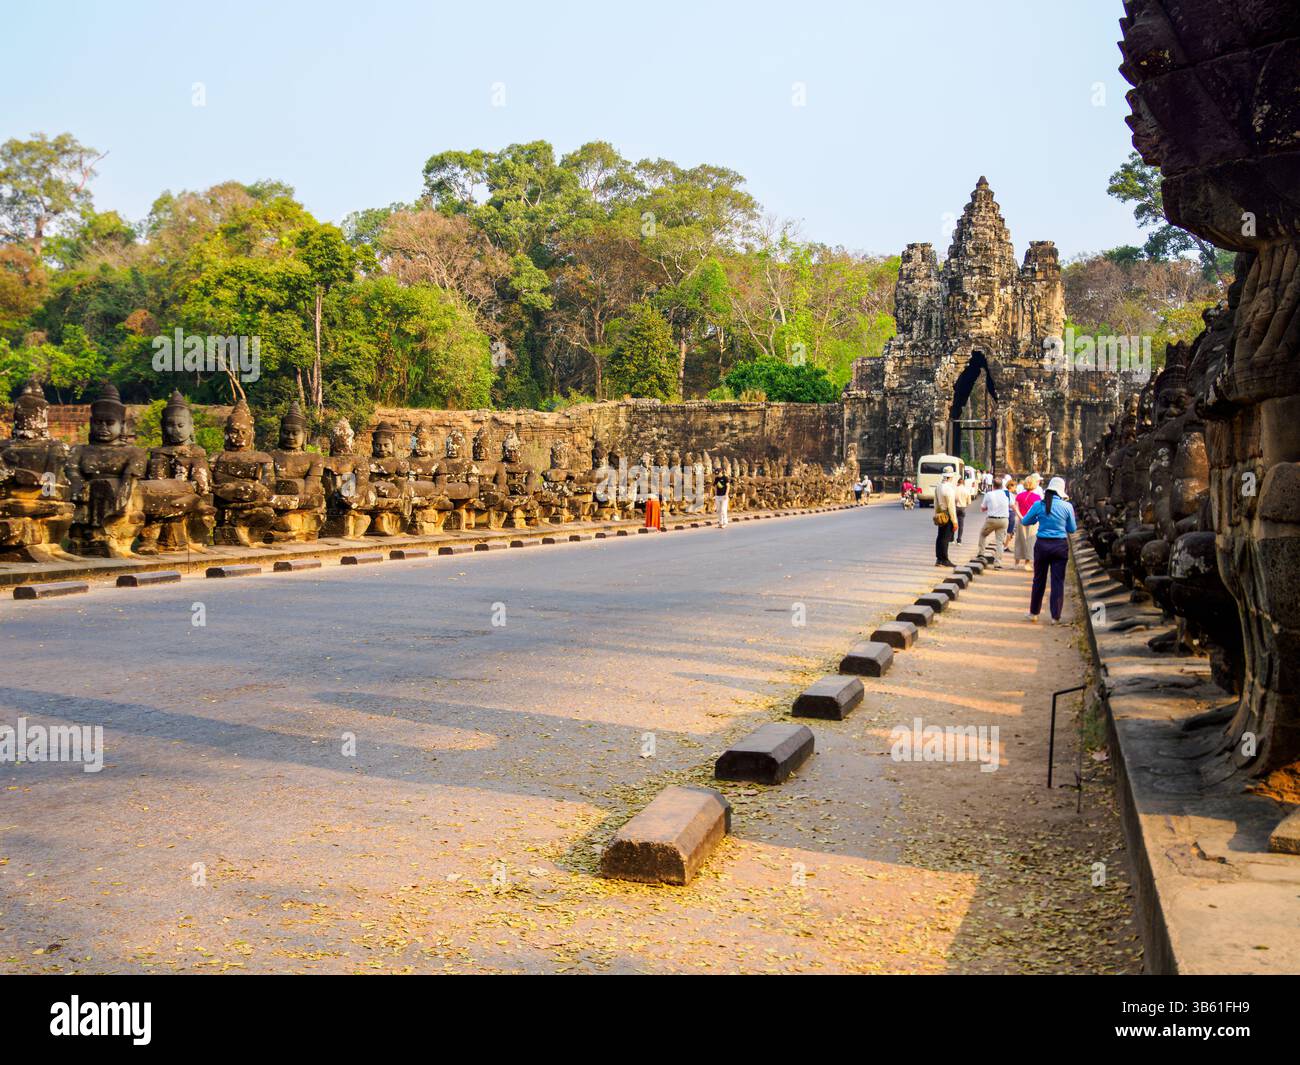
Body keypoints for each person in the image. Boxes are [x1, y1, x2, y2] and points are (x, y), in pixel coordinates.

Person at [1021, 476, 1077, 624]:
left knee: (1039, 580)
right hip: (1060, 546)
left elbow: (1025, 521)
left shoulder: (1039, 505)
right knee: (1057, 581)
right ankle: (1055, 617)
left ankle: (1034, 613)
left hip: (1042, 545)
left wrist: (1038, 519)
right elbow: (1072, 529)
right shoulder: (1067, 506)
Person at [977, 472, 1010, 567]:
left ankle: (981, 554)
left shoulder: (989, 494)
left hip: (992, 520)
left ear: (993, 486)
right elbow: (1010, 505)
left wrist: (989, 507)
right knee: (1000, 542)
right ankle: (998, 563)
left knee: (983, 534)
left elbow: (983, 508)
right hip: (1004, 520)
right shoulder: (1006, 494)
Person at [1013, 473, 1043, 569]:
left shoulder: (1019, 496)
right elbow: (1037, 510)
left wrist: (1021, 517)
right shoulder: (1037, 497)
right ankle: (1027, 563)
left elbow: (1015, 507)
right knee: (1031, 541)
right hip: (1032, 521)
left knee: (1019, 541)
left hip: (1020, 520)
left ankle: (1016, 563)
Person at [933, 467, 958, 567]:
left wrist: (936, 514)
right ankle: (944, 559)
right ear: (950, 477)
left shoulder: (938, 486)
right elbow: (951, 506)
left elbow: (936, 502)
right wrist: (955, 521)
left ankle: (939, 559)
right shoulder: (949, 488)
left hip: (941, 514)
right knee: (945, 538)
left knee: (940, 537)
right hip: (947, 515)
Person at [954, 474, 972, 543]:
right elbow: (969, 502)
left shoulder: (955, 489)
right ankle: (959, 540)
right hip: (962, 508)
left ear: (958, 483)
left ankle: (951, 538)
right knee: (961, 525)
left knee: (953, 523)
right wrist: (965, 505)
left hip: (955, 507)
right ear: (964, 483)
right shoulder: (967, 490)